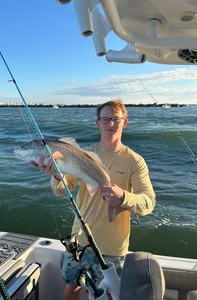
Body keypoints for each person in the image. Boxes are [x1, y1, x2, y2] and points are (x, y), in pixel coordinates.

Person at [34, 99, 156, 300]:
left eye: (116, 119)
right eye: (105, 119)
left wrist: (123, 197)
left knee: (109, 294)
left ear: (124, 122)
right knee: (72, 287)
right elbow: (61, 191)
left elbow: (148, 202)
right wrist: (57, 175)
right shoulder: (82, 155)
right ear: (97, 123)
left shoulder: (135, 161)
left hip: (113, 246)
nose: (110, 124)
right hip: (80, 239)